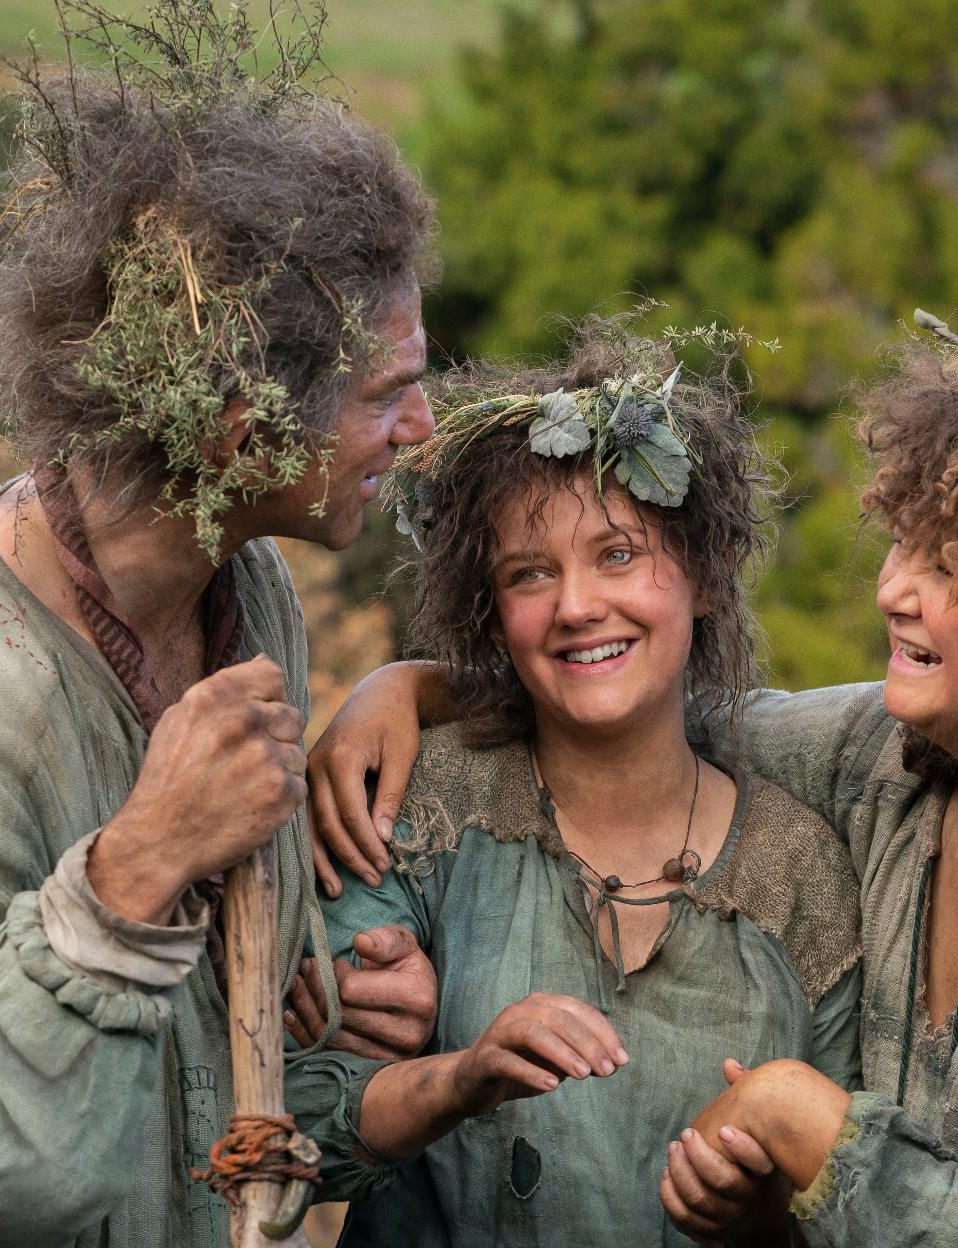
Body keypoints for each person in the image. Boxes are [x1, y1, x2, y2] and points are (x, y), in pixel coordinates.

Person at [309, 329, 958, 1246]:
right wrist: (405, 687)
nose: (892, 590)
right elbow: (635, 704)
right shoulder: (885, 755)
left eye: (947, 569)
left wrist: (798, 1118)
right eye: (902, 548)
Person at [0, 5, 438, 1246]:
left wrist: (329, 1007)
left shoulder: (246, 592)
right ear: (237, 429)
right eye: (387, 396)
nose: (420, 433)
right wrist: (136, 868)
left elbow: (201, 1061)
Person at [291, 320, 862, 1247]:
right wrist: (459, 1078)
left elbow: (849, 1197)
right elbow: (289, 1121)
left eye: (619, 554)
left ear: (707, 576)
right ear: (491, 613)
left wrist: (756, 1213)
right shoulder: (417, 804)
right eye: (529, 574)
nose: (576, 606)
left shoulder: (803, 876)